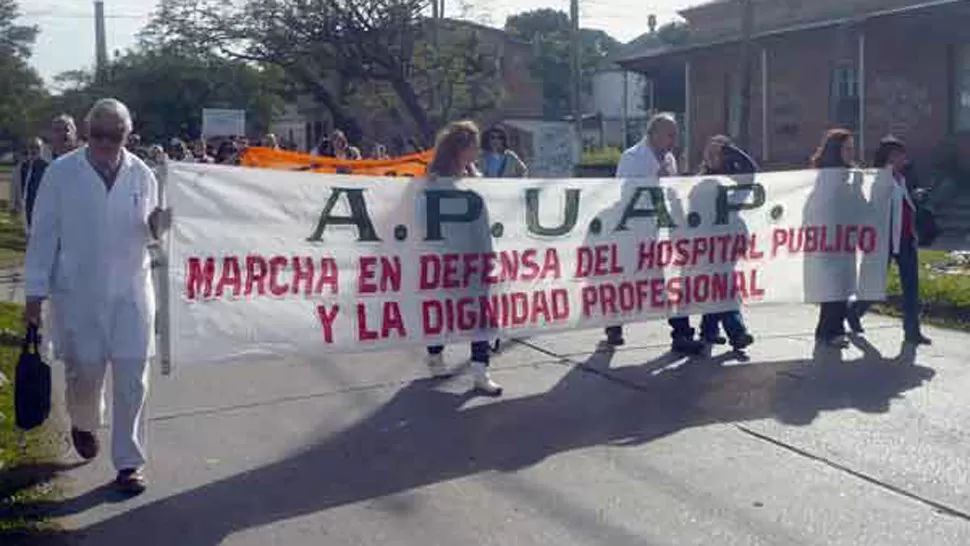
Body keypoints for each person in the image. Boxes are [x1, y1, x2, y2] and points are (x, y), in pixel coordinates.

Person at [24, 98, 170, 495]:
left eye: (116, 134)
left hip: (131, 292)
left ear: (128, 134)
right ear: (88, 132)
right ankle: (84, 422)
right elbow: (42, 236)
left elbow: (154, 231)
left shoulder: (143, 175)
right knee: (84, 374)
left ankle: (129, 463)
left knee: (132, 379)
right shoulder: (61, 173)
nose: (106, 142)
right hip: (78, 294)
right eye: (100, 133)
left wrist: (160, 226)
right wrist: (34, 297)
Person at [607, 112, 705, 355]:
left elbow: (670, 194)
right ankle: (613, 323)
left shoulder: (670, 158)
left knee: (670, 283)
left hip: (662, 232)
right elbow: (624, 193)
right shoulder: (631, 157)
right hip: (635, 233)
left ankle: (682, 334)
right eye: (670, 134)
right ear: (654, 134)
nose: (674, 139)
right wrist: (654, 179)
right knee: (628, 282)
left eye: (675, 134)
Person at [423, 120, 502, 396]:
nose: (478, 151)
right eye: (474, 146)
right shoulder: (432, 184)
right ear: (460, 149)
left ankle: (480, 371)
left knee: (480, 313)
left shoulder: (474, 181)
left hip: (474, 256)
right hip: (445, 259)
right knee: (443, 311)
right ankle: (435, 357)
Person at [847, 137, 931, 345]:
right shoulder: (876, 179)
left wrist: (916, 195)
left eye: (903, 155)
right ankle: (853, 311)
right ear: (888, 157)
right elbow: (871, 207)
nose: (903, 159)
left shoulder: (903, 178)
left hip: (906, 239)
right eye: (898, 155)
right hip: (882, 241)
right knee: (874, 287)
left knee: (911, 288)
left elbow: (907, 204)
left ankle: (912, 331)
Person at [696, 135, 757, 351]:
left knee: (720, 287)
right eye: (710, 153)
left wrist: (730, 150)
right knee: (724, 288)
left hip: (729, 242)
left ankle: (709, 330)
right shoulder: (699, 181)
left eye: (718, 154)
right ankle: (737, 332)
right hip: (708, 245)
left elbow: (751, 169)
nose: (713, 157)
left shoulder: (734, 180)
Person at [809, 128, 857, 348]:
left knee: (843, 285)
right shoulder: (825, 176)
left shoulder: (852, 174)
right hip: (829, 238)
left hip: (847, 238)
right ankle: (832, 331)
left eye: (852, 148)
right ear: (836, 150)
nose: (850, 153)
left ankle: (826, 329)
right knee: (834, 287)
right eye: (847, 148)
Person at [12, 137, 48, 231]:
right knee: (29, 233)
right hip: (26, 206)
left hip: (42, 208)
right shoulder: (21, 167)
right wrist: (15, 204)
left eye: (37, 147)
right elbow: (16, 187)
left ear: (42, 149)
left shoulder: (47, 167)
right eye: (31, 147)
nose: (33, 150)